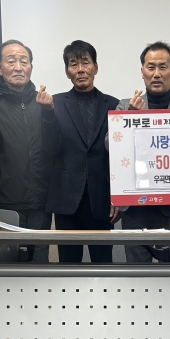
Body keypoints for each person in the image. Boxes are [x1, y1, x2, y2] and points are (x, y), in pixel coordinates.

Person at [0, 39, 62, 262]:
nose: (18, 67)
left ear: (31, 66)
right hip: (5, 203)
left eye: (24, 61)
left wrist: (49, 114)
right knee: (8, 267)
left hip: (40, 202)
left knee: (39, 265)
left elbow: (54, 148)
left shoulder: (42, 100)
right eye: (11, 61)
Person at [116, 41, 170, 262]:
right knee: (137, 276)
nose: (157, 74)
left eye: (163, 67)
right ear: (142, 71)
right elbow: (110, 147)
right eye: (151, 67)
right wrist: (131, 119)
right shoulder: (124, 107)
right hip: (135, 210)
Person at [48, 40, 120, 262]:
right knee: (68, 266)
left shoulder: (114, 105)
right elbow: (49, 147)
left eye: (85, 63)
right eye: (73, 64)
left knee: (103, 263)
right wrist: (45, 115)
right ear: (67, 71)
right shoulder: (54, 104)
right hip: (66, 200)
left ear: (95, 67)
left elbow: (119, 156)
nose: (80, 69)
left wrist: (118, 196)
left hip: (102, 199)